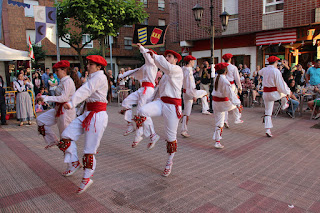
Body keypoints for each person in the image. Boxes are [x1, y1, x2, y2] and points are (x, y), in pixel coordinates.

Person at [60, 55, 110, 194]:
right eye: (88, 64)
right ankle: (74, 162)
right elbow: (86, 92)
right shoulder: (93, 77)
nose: (87, 66)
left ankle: (87, 178)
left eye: (90, 64)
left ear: (99, 67)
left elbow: (85, 90)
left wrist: (71, 102)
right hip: (87, 114)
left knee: (89, 151)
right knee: (65, 136)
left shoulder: (99, 77)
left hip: (97, 117)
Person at [136, 49, 183, 177]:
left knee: (171, 137)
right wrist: (151, 100)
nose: (167, 58)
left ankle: (169, 161)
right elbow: (158, 90)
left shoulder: (177, 70)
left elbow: (164, 65)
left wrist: (155, 56)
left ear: (176, 60)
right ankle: (153, 135)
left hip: (173, 106)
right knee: (142, 111)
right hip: (161, 102)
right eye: (166, 56)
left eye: (169, 56)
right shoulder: (165, 74)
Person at [36, 60, 81, 178]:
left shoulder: (68, 81)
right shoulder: (63, 81)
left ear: (64, 70)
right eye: (55, 70)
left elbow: (64, 97)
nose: (56, 73)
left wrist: (46, 98)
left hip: (66, 112)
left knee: (66, 138)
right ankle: (53, 140)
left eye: (58, 70)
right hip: (58, 110)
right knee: (41, 120)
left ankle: (73, 163)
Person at [119, 44, 159, 148]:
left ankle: (140, 135)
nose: (148, 56)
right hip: (142, 89)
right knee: (126, 102)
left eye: (150, 55)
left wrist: (141, 47)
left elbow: (147, 57)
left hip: (148, 90)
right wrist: (123, 76)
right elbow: (134, 71)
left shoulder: (152, 64)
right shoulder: (145, 66)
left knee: (141, 112)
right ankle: (130, 125)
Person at [211, 63, 242, 149]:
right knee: (237, 104)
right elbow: (231, 94)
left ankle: (217, 141)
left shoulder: (216, 78)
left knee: (219, 122)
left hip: (215, 103)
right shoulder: (224, 81)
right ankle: (237, 118)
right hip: (223, 104)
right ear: (225, 71)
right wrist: (237, 103)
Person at [259, 56, 290, 137]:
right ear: (275, 62)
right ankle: (284, 105)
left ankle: (268, 129)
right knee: (285, 93)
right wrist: (287, 91)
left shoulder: (264, 69)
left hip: (265, 94)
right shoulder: (276, 71)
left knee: (268, 112)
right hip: (273, 94)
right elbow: (280, 84)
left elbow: (259, 72)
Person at [180, 55, 211, 138]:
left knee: (186, 112)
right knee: (204, 93)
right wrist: (194, 95)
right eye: (193, 61)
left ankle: (184, 130)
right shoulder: (189, 70)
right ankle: (205, 109)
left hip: (185, 92)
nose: (194, 63)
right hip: (190, 92)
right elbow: (191, 84)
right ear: (190, 61)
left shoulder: (182, 69)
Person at [222, 53, 243, 128]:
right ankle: (237, 118)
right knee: (235, 101)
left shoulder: (222, 67)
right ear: (230, 59)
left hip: (223, 86)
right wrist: (240, 87)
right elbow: (237, 78)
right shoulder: (233, 67)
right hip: (231, 86)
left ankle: (225, 120)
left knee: (225, 102)